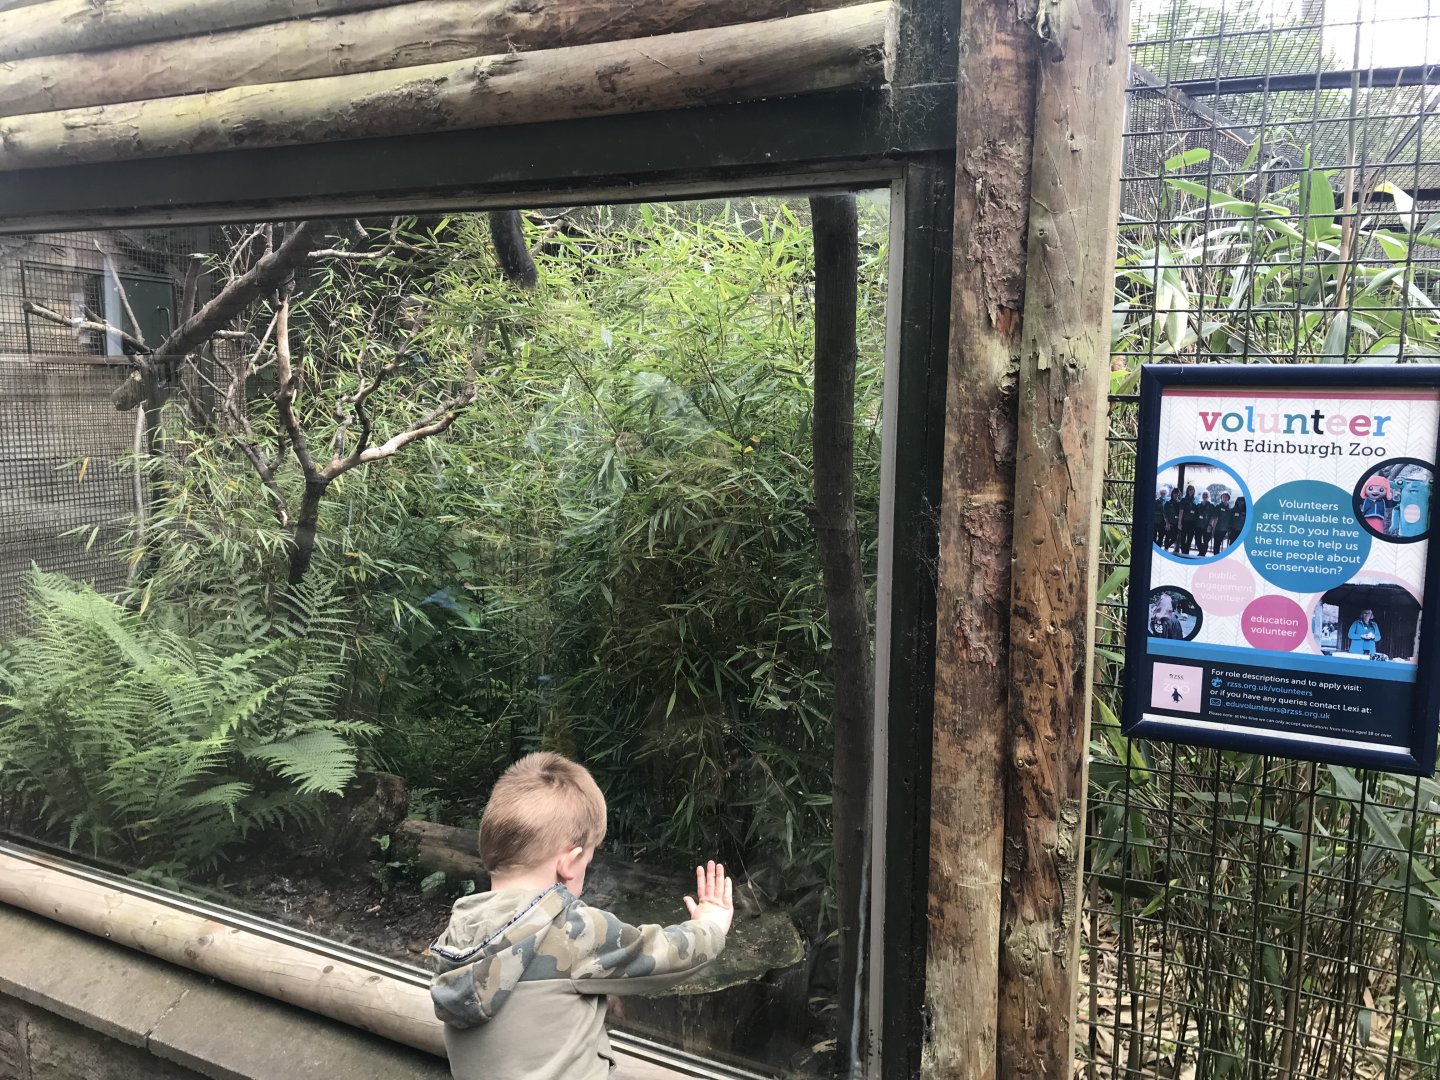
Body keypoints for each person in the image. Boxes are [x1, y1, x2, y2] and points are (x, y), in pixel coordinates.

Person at [428, 752, 733, 1080]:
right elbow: (669, 954)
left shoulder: (458, 932)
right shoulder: (574, 933)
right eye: (588, 861)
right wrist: (711, 923)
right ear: (570, 863)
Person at [1178, 484, 1199, 555]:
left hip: (1192, 523)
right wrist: (1179, 522)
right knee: (1183, 538)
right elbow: (1181, 511)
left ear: (1194, 491)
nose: (1191, 491)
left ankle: (1186, 552)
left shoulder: (1195, 500)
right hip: (1185, 522)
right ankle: (1183, 552)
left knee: (1190, 538)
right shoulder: (1184, 500)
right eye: (1189, 489)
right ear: (1187, 491)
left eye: (1192, 489)